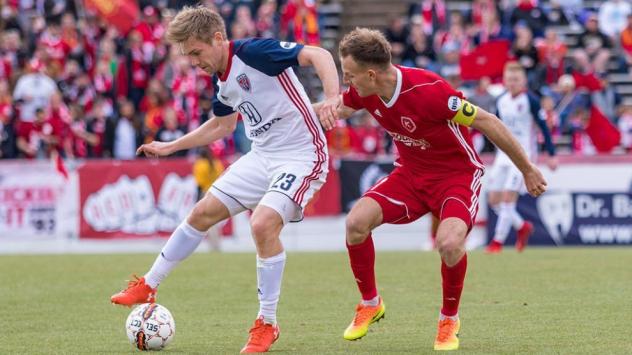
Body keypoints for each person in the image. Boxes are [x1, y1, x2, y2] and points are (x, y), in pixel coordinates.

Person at [110, 6, 340, 354]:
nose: (194, 62)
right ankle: (149, 284)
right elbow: (222, 126)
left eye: (197, 53)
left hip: (301, 154)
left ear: (218, 39)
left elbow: (319, 54)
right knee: (201, 213)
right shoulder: (222, 79)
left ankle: (267, 324)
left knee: (262, 225)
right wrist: (171, 146)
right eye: (188, 56)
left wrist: (332, 96)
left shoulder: (254, 53)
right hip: (262, 157)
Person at [315, 28, 548, 351]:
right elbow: (335, 108)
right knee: (355, 223)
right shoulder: (365, 90)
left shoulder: (431, 90)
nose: (347, 81)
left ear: (370, 73)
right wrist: (287, 114)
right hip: (410, 175)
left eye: (350, 75)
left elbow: (488, 121)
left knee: (449, 243)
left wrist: (527, 169)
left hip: (456, 176)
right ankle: (370, 303)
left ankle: (448, 319)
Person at [486, 62, 557, 254]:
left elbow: (543, 128)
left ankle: (497, 243)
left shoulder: (531, 101)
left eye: (516, 79)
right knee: (493, 200)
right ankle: (522, 227)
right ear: (504, 80)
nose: (512, 83)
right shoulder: (501, 100)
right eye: (509, 79)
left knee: (508, 198)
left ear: (523, 81)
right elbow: (494, 128)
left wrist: (551, 154)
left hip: (523, 156)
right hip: (503, 155)